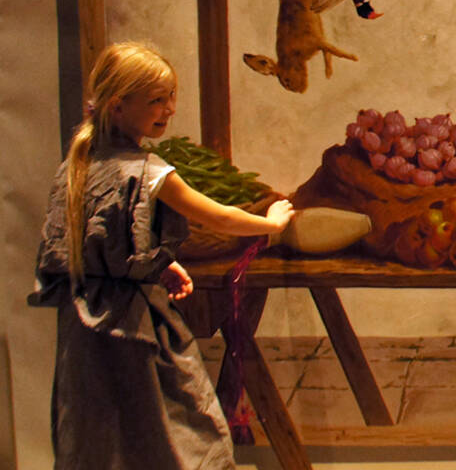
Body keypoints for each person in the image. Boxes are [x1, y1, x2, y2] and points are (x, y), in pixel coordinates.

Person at [28, 42, 296, 470]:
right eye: (156, 100)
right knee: (173, 423)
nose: (169, 109)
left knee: (100, 428)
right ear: (118, 106)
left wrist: (157, 261)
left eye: (171, 97)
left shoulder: (79, 164)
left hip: (83, 329)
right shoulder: (148, 171)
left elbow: (96, 242)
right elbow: (220, 218)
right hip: (133, 327)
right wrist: (271, 223)